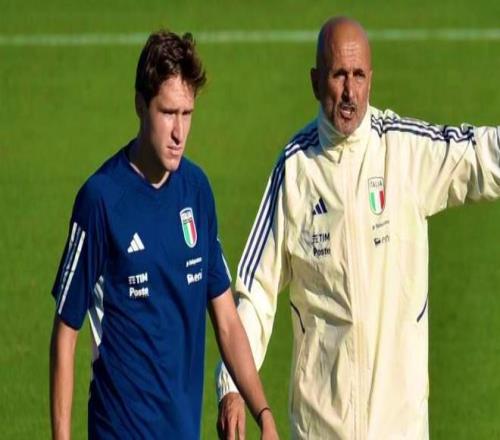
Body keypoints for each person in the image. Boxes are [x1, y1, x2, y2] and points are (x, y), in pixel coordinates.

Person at [216, 16, 500, 439]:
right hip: (320, 429)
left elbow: (480, 156)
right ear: (316, 82)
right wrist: (232, 385)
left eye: (359, 75)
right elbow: (255, 294)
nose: (350, 92)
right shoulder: (295, 169)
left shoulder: (403, 152)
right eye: (338, 75)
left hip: (399, 429)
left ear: (371, 79)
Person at [49, 30, 279, 440]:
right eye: (168, 112)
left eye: (187, 114)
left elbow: (227, 320)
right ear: (140, 105)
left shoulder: (197, 191)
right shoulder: (101, 200)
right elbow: (66, 333)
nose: (179, 132)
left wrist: (263, 412)